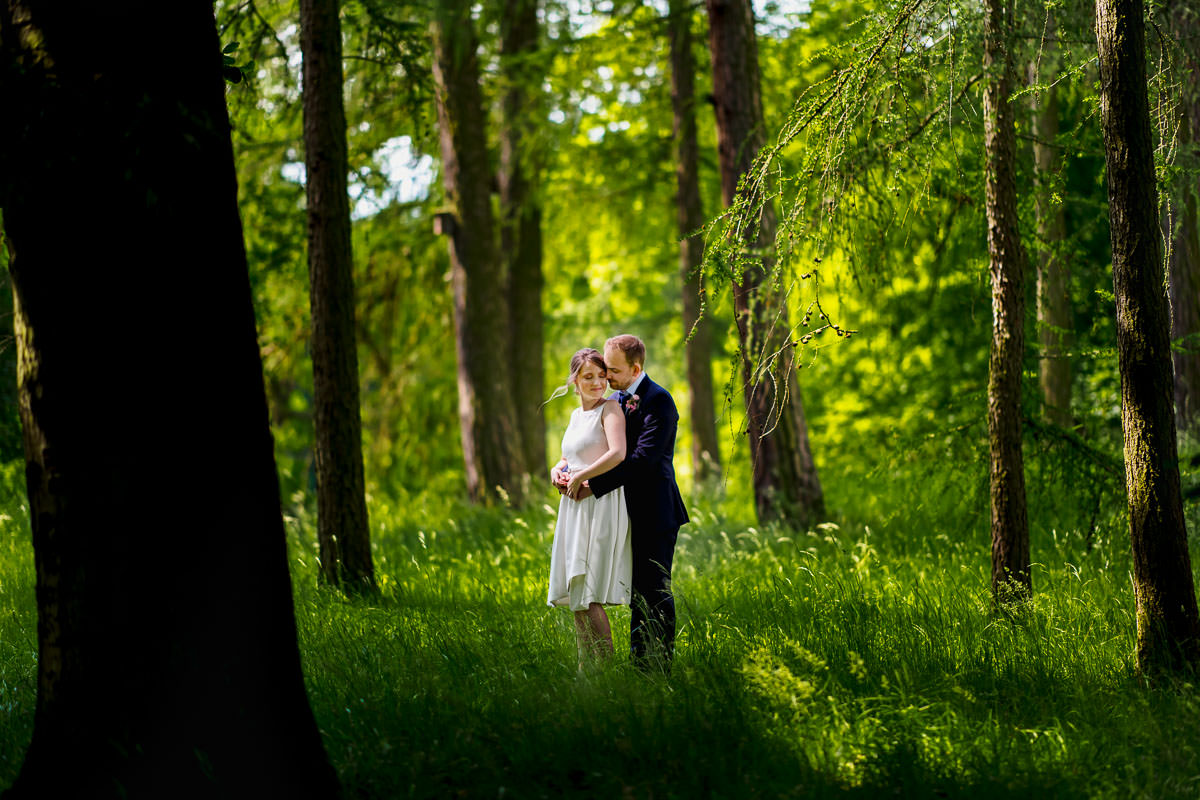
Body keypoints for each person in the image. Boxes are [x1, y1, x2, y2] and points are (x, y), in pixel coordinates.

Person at [554, 334, 688, 670]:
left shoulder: (659, 401)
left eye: (612, 370)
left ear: (635, 368)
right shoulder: (617, 399)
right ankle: (636, 663)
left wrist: (592, 484)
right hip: (623, 509)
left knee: (654, 590)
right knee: (636, 594)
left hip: (656, 510)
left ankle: (657, 667)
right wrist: (563, 468)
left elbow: (642, 459)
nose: (606, 376)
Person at [545, 348, 632, 664]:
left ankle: (606, 667)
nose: (597, 383)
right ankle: (587, 671)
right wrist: (558, 469)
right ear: (575, 381)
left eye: (601, 376)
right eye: (588, 377)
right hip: (574, 508)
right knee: (578, 592)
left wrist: (582, 475)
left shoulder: (610, 410)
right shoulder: (575, 416)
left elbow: (618, 453)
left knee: (591, 591)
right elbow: (571, 455)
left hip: (599, 504)